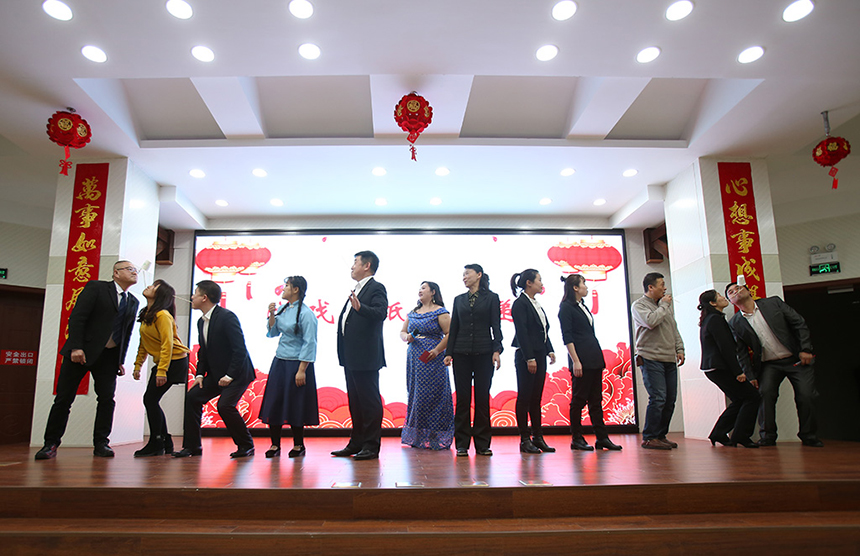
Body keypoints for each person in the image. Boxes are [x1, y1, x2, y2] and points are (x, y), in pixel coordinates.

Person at [35, 260, 139, 460]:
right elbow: (78, 317)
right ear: (116, 273)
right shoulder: (97, 288)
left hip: (109, 357)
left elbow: (126, 333)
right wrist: (76, 346)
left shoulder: (132, 301)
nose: (134, 272)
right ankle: (50, 444)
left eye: (135, 270)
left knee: (107, 400)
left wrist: (120, 359)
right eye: (130, 269)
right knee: (64, 399)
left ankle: (101, 443)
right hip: (81, 352)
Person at [725, 282, 823, 447]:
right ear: (730, 301)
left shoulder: (773, 303)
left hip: (795, 359)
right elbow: (741, 352)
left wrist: (805, 349)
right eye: (730, 292)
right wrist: (750, 375)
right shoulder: (735, 322)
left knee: (806, 395)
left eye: (738, 288)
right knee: (765, 395)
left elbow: (798, 323)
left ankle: (809, 435)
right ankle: (767, 436)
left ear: (749, 291)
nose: (735, 291)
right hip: (768, 365)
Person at [173, 280, 256, 458]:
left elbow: (239, 349)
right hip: (217, 374)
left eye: (195, 293)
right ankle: (192, 447)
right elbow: (204, 351)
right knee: (192, 397)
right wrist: (199, 375)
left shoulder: (227, 317)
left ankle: (246, 445)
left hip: (238, 373)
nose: (192, 297)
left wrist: (230, 375)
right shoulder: (201, 322)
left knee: (225, 406)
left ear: (204, 297)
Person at [332, 251, 388, 461]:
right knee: (355, 401)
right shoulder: (357, 289)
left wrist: (361, 307)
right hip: (351, 356)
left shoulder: (376, 287)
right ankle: (356, 442)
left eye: (355, 262)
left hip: (366, 356)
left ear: (367, 265)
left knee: (369, 402)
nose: (352, 266)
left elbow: (381, 313)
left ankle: (371, 446)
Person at [443, 264, 503, 457]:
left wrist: (497, 350)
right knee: (463, 399)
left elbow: (496, 326)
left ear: (478, 275)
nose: (464, 277)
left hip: (484, 352)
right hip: (461, 353)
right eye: (463, 274)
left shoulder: (491, 298)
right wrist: (449, 352)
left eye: (467, 273)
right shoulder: (459, 299)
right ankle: (462, 444)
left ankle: (482, 444)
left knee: (482, 398)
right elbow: (454, 328)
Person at [558, 274, 622, 451]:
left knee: (596, 400)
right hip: (582, 359)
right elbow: (567, 336)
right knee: (578, 400)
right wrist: (576, 361)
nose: (586, 287)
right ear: (575, 288)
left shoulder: (582, 306)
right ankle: (577, 438)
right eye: (583, 284)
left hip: (593, 356)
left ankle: (602, 437)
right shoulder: (566, 307)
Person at [260, 276, 319, 458]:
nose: (283, 289)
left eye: (286, 286)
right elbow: (273, 333)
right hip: (280, 361)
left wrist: (302, 370)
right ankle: (275, 445)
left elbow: (310, 343)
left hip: (297, 364)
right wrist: (271, 315)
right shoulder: (283, 309)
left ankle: (299, 445)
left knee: (296, 404)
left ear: (295, 290)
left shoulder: (306, 314)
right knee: (275, 402)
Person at [132, 279, 190, 457]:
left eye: (154, 286)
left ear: (160, 294)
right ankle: (164, 441)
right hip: (166, 361)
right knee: (151, 400)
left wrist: (162, 370)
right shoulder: (148, 314)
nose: (149, 286)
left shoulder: (163, 315)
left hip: (175, 361)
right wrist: (138, 365)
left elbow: (167, 344)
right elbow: (144, 342)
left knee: (150, 400)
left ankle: (157, 442)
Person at [697, 289, 761, 448]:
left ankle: (719, 433)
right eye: (719, 296)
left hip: (714, 368)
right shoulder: (715, 319)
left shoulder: (711, 318)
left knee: (740, 399)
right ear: (713, 303)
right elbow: (725, 348)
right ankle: (741, 436)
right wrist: (738, 371)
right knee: (753, 397)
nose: (723, 298)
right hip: (720, 368)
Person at [631, 272, 685, 450]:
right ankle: (649, 437)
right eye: (662, 285)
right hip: (650, 357)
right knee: (658, 397)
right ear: (650, 287)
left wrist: (680, 348)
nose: (665, 288)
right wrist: (663, 306)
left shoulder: (664, 305)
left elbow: (673, 328)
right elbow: (650, 321)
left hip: (669, 358)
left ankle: (661, 435)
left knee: (670, 399)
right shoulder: (639, 305)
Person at [400, 281, 454, 450]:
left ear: (433, 292)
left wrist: (437, 350)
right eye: (419, 288)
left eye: (424, 288)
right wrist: (407, 337)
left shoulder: (440, 312)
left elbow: (450, 334)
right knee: (417, 394)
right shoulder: (413, 312)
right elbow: (402, 332)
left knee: (434, 394)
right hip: (415, 358)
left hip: (433, 358)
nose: (420, 290)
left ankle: (435, 436)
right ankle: (417, 436)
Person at [510, 269, 557, 454]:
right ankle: (524, 439)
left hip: (539, 354)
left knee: (536, 398)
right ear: (529, 283)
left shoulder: (536, 303)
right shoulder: (520, 304)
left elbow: (542, 330)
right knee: (524, 397)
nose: (541, 283)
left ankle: (538, 437)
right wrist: (529, 357)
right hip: (526, 356)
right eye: (539, 280)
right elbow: (522, 332)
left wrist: (549, 349)